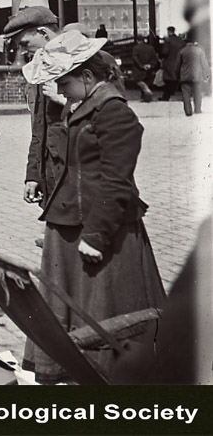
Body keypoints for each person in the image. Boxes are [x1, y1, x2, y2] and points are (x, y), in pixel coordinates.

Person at [22, 31, 167, 382]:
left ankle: (103, 376)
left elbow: (116, 181)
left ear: (87, 77)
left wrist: (97, 235)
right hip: (73, 221)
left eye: (64, 81)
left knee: (106, 310)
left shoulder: (114, 113)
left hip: (101, 230)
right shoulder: (82, 104)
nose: (60, 88)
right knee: (72, 304)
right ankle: (67, 370)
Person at [2, 6, 124, 206]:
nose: (23, 51)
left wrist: (64, 101)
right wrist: (33, 174)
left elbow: (114, 113)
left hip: (85, 170)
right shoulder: (39, 68)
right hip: (53, 170)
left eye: (25, 43)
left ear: (43, 32)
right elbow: (38, 126)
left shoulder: (97, 59)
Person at [176, 34, 210, 116]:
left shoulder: (182, 51)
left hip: (184, 75)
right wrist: (206, 75)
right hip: (197, 76)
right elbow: (204, 64)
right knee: (197, 93)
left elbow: (177, 65)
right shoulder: (200, 51)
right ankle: (197, 109)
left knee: (186, 94)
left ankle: (188, 111)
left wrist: (177, 75)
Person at [131, 35, 159, 102]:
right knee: (146, 81)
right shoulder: (150, 48)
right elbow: (155, 58)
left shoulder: (136, 48)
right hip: (149, 68)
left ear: (137, 41)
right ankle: (144, 97)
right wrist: (150, 65)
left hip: (138, 69)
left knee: (138, 81)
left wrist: (142, 66)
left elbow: (135, 58)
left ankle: (147, 91)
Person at [160, 26, 185, 101]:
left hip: (169, 62)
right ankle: (183, 96)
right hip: (179, 62)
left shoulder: (168, 40)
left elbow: (165, 52)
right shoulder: (181, 40)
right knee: (179, 79)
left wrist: (160, 56)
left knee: (168, 81)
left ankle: (166, 96)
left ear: (168, 31)